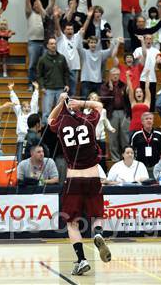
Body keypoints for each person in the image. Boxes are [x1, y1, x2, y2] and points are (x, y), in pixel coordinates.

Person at [48, 93, 111, 276]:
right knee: (97, 215)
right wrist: (82, 102)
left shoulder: (60, 124)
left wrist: (61, 102)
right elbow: (99, 106)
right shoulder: (89, 120)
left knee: (72, 223)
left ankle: (82, 260)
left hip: (73, 179)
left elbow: (50, 118)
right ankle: (98, 233)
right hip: (93, 176)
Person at [99, 67, 131, 162]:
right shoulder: (105, 86)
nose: (116, 76)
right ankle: (115, 158)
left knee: (125, 136)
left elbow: (129, 97)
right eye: (114, 74)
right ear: (110, 75)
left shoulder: (123, 85)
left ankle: (125, 157)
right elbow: (103, 99)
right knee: (113, 137)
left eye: (117, 74)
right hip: (111, 113)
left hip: (123, 112)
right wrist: (110, 90)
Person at [37, 37, 70, 125]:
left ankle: (58, 132)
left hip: (60, 89)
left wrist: (67, 84)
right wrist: (42, 86)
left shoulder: (62, 58)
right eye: (51, 44)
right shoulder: (42, 59)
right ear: (47, 46)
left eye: (54, 43)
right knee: (46, 113)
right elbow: (39, 75)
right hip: (48, 89)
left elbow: (66, 72)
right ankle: (45, 132)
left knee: (60, 112)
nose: (53, 45)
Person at [84, 92, 116, 172]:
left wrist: (111, 128)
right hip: (90, 138)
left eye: (96, 97)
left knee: (101, 157)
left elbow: (105, 121)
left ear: (98, 100)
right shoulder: (85, 111)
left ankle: (103, 173)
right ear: (89, 100)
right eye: (92, 97)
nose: (94, 99)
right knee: (90, 157)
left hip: (101, 138)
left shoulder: (103, 111)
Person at [8, 82, 39, 163]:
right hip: (21, 138)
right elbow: (15, 102)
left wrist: (36, 90)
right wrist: (11, 90)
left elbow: (34, 101)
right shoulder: (19, 113)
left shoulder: (32, 113)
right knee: (20, 158)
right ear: (21, 108)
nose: (27, 108)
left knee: (31, 157)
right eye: (25, 107)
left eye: (28, 106)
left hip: (31, 139)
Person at [130, 112, 161, 177]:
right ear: (142, 122)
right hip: (140, 167)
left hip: (156, 166)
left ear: (153, 121)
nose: (149, 120)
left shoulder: (159, 135)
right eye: (146, 119)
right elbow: (131, 151)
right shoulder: (136, 135)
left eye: (150, 119)